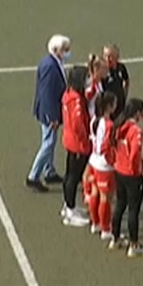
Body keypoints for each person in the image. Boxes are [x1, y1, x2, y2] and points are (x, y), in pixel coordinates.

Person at [26, 34, 70, 192]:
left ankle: (49, 171)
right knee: (48, 142)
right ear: (57, 50)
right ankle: (33, 176)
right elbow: (47, 94)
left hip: (50, 111)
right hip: (49, 112)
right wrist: (52, 116)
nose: (67, 52)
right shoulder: (50, 67)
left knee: (50, 141)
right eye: (65, 49)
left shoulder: (52, 63)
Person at [110, 98, 143, 257]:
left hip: (118, 170)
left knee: (120, 204)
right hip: (131, 175)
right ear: (138, 113)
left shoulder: (118, 126)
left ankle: (115, 238)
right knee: (134, 210)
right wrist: (139, 170)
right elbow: (135, 154)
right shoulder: (135, 131)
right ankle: (134, 245)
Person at [61, 63, 92, 227]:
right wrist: (85, 141)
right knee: (73, 176)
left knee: (70, 175)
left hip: (70, 140)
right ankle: (70, 211)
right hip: (77, 144)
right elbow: (78, 124)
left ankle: (68, 205)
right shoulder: (77, 100)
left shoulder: (68, 94)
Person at [88, 91, 118, 241]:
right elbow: (106, 146)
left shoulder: (94, 119)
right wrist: (113, 161)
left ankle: (96, 223)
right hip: (104, 165)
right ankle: (106, 229)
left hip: (93, 160)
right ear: (109, 106)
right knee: (106, 198)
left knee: (95, 192)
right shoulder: (109, 125)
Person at [81, 55, 108, 208]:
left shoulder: (97, 83)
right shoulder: (91, 85)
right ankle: (87, 190)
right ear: (96, 70)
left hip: (97, 123)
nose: (106, 71)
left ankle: (90, 188)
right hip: (94, 125)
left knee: (92, 160)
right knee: (91, 160)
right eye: (103, 69)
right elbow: (87, 101)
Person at [102, 44, 129, 116]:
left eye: (110, 56)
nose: (107, 59)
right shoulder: (102, 72)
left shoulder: (121, 67)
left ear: (117, 57)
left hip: (120, 106)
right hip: (109, 109)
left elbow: (126, 80)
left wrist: (124, 94)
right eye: (105, 56)